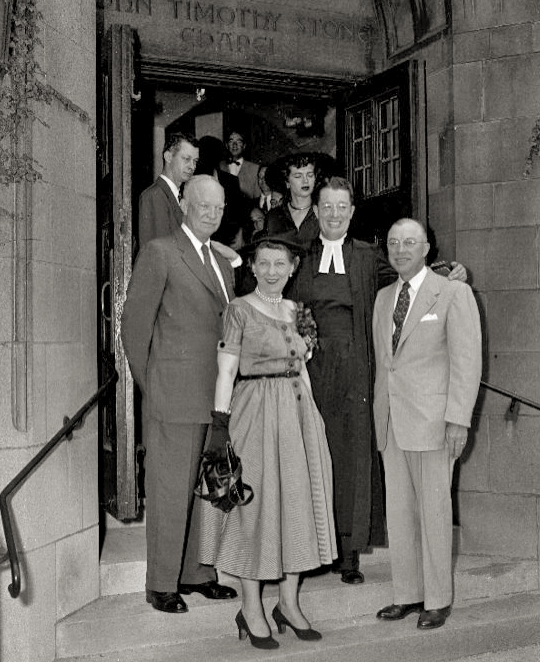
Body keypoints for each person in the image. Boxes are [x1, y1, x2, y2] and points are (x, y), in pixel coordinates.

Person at [288, 177, 468, 585]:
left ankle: (349, 554)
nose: (334, 214)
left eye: (342, 207)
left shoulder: (369, 256)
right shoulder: (298, 255)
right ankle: (316, 549)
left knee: (352, 459)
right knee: (314, 455)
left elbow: (411, 274)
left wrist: (449, 272)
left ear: (352, 213)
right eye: (326, 207)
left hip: (357, 371)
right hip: (311, 372)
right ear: (315, 212)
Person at [199, 232, 336, 650]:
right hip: (255, 411)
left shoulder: (300, 311)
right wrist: (220, 425)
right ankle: (252, 608)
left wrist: (313, 418)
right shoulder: (239, 310)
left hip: (297, 415)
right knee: (253, 511)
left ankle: (289, 605)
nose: (273, 271)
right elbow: (226, 371)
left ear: (293, 268)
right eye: (265, 264)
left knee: (298, 505)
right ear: (253, 267)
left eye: (281, 264)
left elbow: (303, 369)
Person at [121, 175, 238, 613]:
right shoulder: (160, 252)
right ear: (184, 205)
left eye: (218, 207)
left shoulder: (223, 263)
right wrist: (155, 388)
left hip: (215, 398)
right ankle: (162, 582)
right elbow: (134, 330)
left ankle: (198, 574)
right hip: (174, 396)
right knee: (170, 491)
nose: (211, 213)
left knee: (204, 491)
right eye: (202, 205)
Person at [372, 218, 482, 631]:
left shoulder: (453, 292)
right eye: (394, 242)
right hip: (392, 422)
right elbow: (387, 365)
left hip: (434, 422)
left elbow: (467, 361)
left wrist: (458, 420)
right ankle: (407, 594)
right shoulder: (384, 297)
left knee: (434, 511)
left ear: (427, 248)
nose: (401, 249)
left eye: (410, 243)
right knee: (399, 513)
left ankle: (437, 599)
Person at [137, 132, 198, 249]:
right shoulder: (156, 195)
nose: (192, 166)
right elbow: (160, 254)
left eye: (195, 161)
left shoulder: (179, 197)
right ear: (168, 157)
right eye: (186, 159)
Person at [265, 153, 321, 248]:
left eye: (310, 175)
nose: (305, 181)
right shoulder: (274, 216)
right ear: (287, 182)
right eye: (298, 176)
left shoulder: (324, 213)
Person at [219, 130, 261, 200]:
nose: (234, 145)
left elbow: (257, 198)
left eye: (239, 142)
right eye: (231, 141)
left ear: (244, 146)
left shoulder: (255, 169)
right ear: (227, 145)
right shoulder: (219, 166)